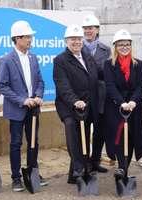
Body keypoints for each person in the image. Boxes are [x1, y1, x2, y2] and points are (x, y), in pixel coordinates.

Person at [0, 20, 47, 192]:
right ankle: (16, 178)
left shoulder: (33, 58)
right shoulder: (6, 60)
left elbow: (40, 81)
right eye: (27, 37)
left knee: (34, 142)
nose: (30, 40)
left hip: (33, 109)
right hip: (17, 109)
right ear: (17, 38)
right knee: (16, 143)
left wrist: (38, 96)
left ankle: (33, 173)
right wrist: (22, 100)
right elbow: (2, 86)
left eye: (30, 37)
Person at [53, 24, 100, 184]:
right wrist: (75, 101)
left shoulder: (87, 57)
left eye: (79, 39)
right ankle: (80, 169)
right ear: (66, 41)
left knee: (84, 138)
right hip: (68, 107)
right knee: (74, 137)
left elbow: (96, 77)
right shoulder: (60, 60)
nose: (76, 42)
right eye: (73, 39)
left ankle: (74, 174)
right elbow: (63, 85)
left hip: (86, 106)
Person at [103, 29, 142, 176]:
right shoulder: (108, 64)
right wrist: (121, 102)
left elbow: (141, 85)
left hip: (134, 107)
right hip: (116, 107)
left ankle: (124, 168)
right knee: (119, 136)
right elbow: (109, 85)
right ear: (115, 46)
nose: (124, 47)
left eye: (127, 44)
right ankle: (122, 166)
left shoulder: (138, 64)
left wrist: (134, 101)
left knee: (132, 136)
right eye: (121, 44)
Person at [82, 14, 111, 173]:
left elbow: (106, 73)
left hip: (100, 97)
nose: (88, 31)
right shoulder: (78, 47)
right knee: (84, 131)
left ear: (97, 30)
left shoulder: (105, 50)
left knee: (99, 132)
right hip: (84, 97)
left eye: (91, 28)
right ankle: (85, 163)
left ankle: (95, 161)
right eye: (85, 28)